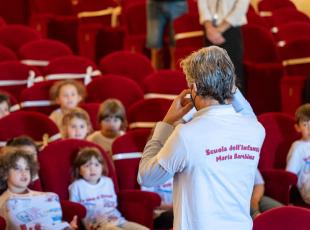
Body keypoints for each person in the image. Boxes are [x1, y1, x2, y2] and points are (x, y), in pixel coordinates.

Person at [138, 46, 265, 230]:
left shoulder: (185, 134)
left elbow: (146, 177)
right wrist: (227, 83)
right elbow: (246, 111)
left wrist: (166, 123)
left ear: (194, 88)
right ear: (231, 85)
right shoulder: (255, 129)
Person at [69, 147, 149, 230]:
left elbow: (113, 203)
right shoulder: (77, 186)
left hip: (118, 221)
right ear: (79, 170)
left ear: (102, 167)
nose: (92, 169)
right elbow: (73, 210)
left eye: (96, 165)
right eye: (87, 165)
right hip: (97, 226)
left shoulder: (108, 182)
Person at [0, 148, 77, 229]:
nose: (24, 173)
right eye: (17, 168)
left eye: (27, 168)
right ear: (5, 173)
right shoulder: (2, 202)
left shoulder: (49, 196)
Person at [197, 0, 250, 92]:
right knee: (209, 75)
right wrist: (209, 27)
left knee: (233, 76)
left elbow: (241, 6)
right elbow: (202, 3)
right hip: (209, 30)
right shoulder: (210, 30)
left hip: (231, 29)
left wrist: (219, 30)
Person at [146, 0, 188, 69]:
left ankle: (175, 78)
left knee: (176, 48)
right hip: (154, 4)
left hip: (178, 3)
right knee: (155, 46)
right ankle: (155, 78)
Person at [286, 103, 310, 204]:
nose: (309, 128)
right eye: (305, 125)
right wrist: (285, 197)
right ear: (298, 127)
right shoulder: (298, 147)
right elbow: (290, 174)